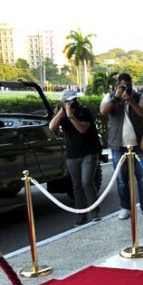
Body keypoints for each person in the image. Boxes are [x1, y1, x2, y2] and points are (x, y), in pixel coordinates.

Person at [100, 73, 143, 219]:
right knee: (121, 179)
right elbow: (103, 111)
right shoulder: (110, 97)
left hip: (139, 145)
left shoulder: (139, 97)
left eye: (129, 86)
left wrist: (130, 100)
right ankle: (125, 207)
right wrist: (116, 97)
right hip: (118, 146)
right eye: (123, 86)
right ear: (117, 86)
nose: (127, 89)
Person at [49, 90, 102, 226]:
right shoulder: (62, 112)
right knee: (76, 185)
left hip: (89, 152)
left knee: (86, 181)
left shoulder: (84, 111)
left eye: (73, 100)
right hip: (73, 154)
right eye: (68, 101)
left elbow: (82, 129)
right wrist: (62, 111)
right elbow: (52, 127)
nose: (71, 103)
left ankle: (94, 212)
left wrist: (70, 115)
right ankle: (81, 215)